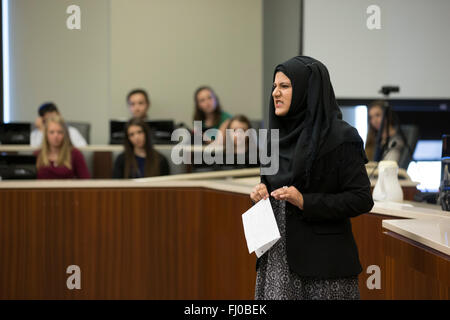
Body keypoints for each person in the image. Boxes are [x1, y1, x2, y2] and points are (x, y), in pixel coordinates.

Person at [250, 56, 374, 300]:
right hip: (278, 261)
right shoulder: (275, 139)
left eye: (285, 86)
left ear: (309, 90)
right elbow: (269, 186)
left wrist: (305, 201)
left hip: (324, 266)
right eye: (274, 86)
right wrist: (259, 195)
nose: (276, 93)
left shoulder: (341, 137)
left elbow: (361, 199)